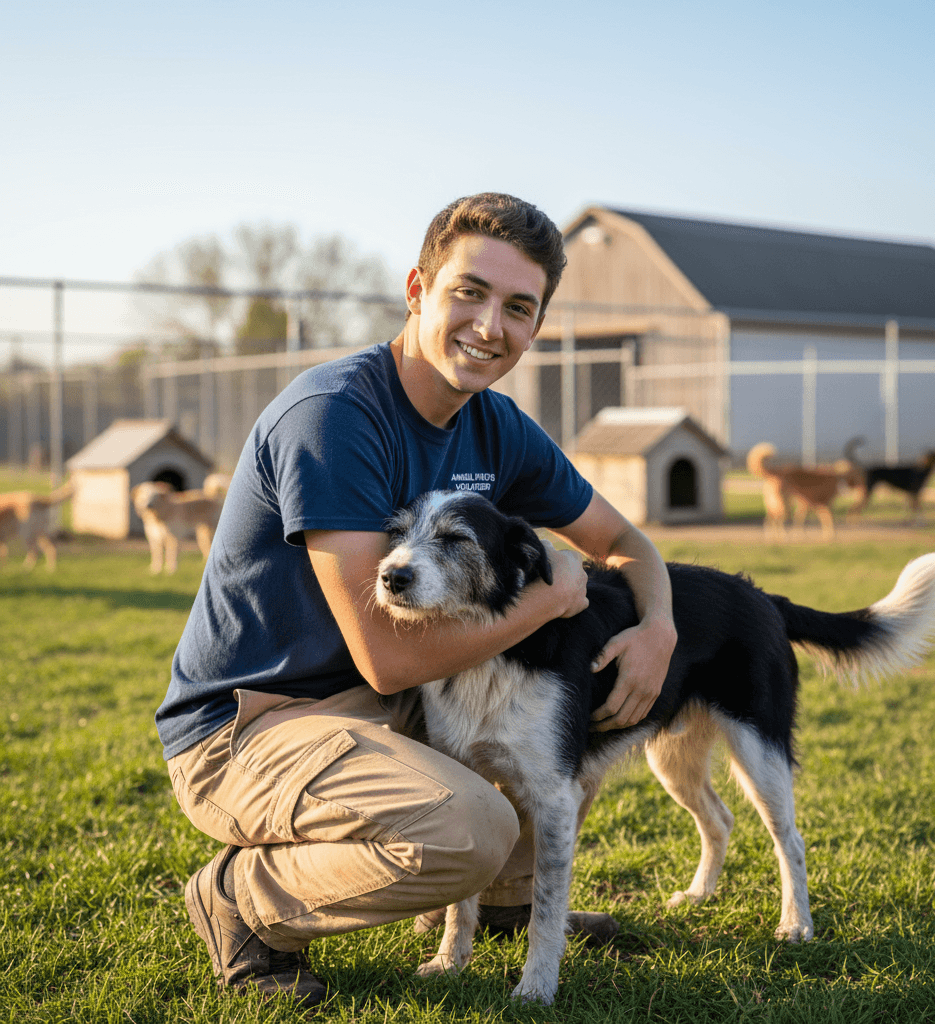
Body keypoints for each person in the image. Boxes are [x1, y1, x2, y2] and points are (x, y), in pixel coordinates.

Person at [157, 193, 678, 1007]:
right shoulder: (336, 416)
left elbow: (627, 545)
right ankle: (242, 902)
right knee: (468, 827)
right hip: (252, 726)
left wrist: (658, 628)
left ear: (535, 326)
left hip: (382, 703)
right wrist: (545, 603)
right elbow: (388, 653)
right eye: (468, 292)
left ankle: (506, 905)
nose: (489, 325)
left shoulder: (497, 427)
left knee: (574, 703)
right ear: (417, 289)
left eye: (518, 307)